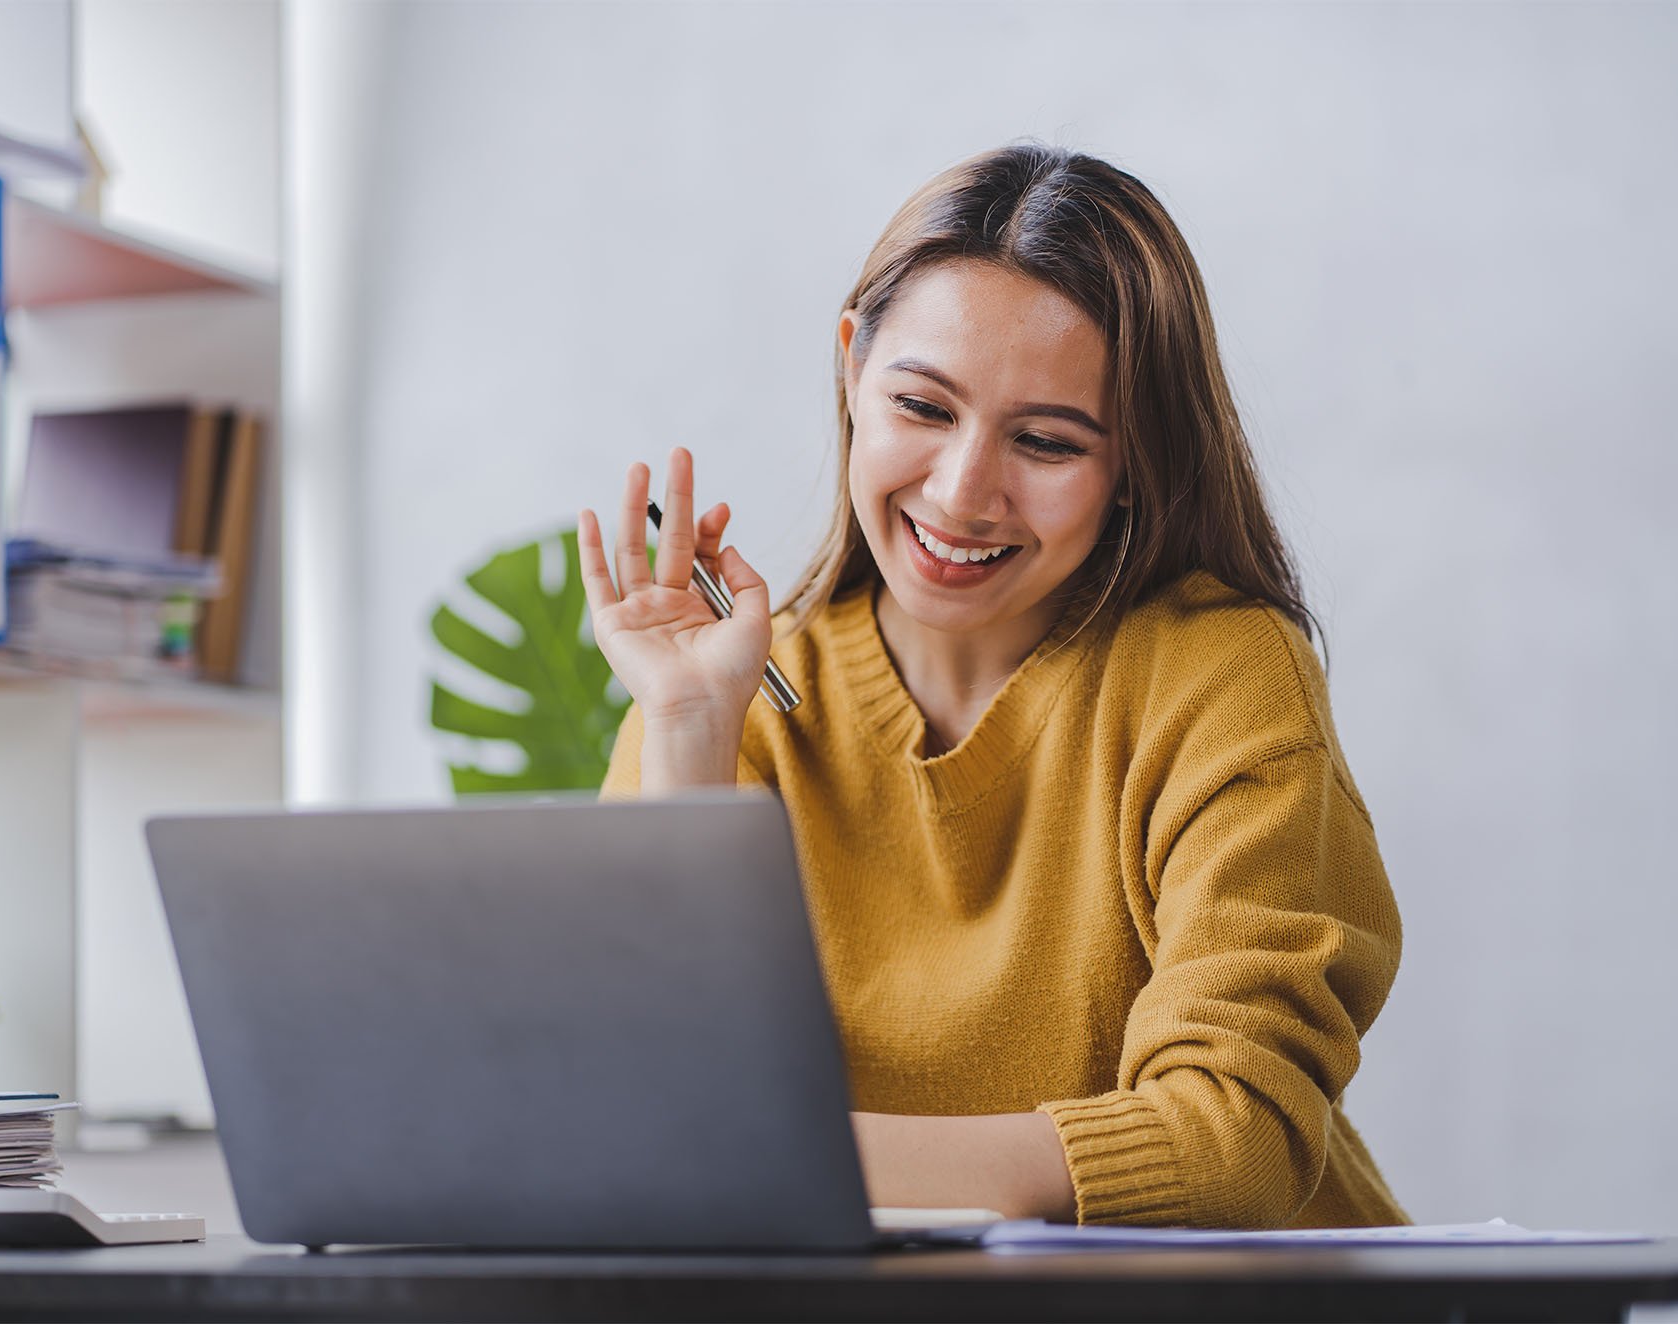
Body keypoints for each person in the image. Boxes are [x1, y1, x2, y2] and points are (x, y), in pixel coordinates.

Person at [574, 142, 1405, 1229]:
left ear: (1134, 464)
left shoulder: (1219, 676)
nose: (965, 493)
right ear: (851, 373)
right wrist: (687, 732)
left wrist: (782, 1154)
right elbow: (631, 1116)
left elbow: (1230, 1139)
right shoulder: (727, 691)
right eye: (923, 407)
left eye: (1048, 441)